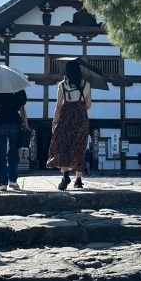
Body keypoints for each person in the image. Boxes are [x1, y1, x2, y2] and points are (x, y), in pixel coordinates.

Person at [47, 60, 91, 190]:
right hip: (81, 119)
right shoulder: (87, 85)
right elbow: (88, 105)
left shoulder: (62, 85)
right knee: (79, 147)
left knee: (64, 145)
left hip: (66, 118)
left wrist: (54, 121)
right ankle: (78, 180)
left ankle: (65, 175)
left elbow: (58, 106)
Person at [0, 88, 29, 192]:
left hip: (0, 121)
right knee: (13, 151)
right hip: (15, 121)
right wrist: (26, 124)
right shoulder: (18, 88)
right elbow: (22, 107)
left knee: (0, 153)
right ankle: (13, 180)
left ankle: (2, 183)